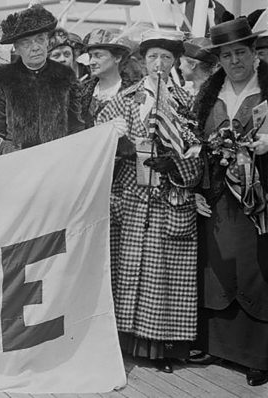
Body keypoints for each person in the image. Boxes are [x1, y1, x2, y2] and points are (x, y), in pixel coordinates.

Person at [96, 29, 202, 374]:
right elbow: (98, 135)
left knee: (164, 273)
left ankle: (163, 349)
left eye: (166, 58)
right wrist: (121, 149)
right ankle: (125, 342)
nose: (159, 64)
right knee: (128, 269)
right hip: (131, 197)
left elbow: (201, 153)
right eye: (153, 57)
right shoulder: (125, 98)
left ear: (175, 63)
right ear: (142, 61)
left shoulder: (187, 102)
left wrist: (177, 163)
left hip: (169, 198)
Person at [190, 17, 268, 387]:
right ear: (218, 60)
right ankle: (216, 346)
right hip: (216, 199)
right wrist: (194, 191)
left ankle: (259, 355)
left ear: (254, 54)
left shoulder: (266, 92)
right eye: (227, 55)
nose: (234, 60)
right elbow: (191, 148)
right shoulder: (208, 97)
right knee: (216, 267)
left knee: (256, 269)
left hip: (259, 200)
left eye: (241, 52)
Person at [0, 5, 84, 152]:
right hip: (19, 163)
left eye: (40, 39)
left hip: (59, 159)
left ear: (47, 42)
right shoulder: (1, 85)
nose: (35, 47)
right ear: (16, 49)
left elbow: (77, 128)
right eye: (26, 43)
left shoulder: (68, 80)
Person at [80, 28, 137, 128]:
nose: (92, 62)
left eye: (98, 55)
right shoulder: (81, 90)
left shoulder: (133, 92)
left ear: (117, 58)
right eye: (90, 56)